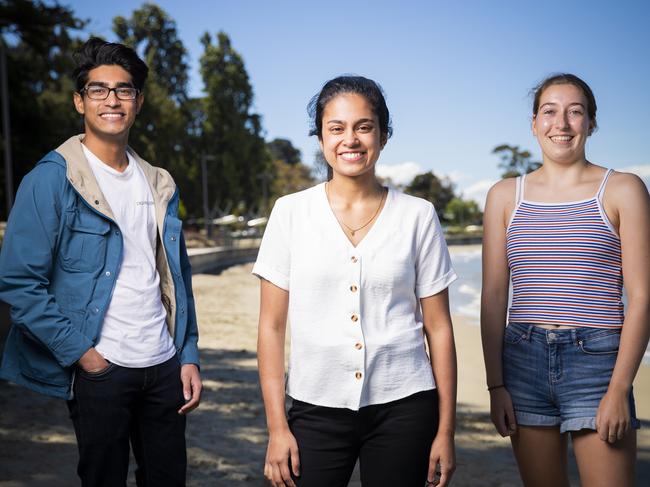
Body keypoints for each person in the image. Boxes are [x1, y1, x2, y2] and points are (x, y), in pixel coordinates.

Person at [0, 37, 201, 487]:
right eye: (99, 90)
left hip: (163, 364)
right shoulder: (51, 179)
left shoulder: (159, 182)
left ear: (139, 101)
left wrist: (187, 355)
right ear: (79, 101)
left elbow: (178, 279)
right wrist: (85, 357)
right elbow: (19, 284)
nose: (112, 99)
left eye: (124, 90)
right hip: (101, 369)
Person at [254, 75, 458, 487]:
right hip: (314, 406)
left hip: (406, 405)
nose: (351, 139)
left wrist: (445, 431)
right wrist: (277, 428)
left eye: (364, 127)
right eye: (337, 128)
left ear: (382, 135)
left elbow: (439, 327)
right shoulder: (290, 213)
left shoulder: (418, 215)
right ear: (321, 138)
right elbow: (271, 327)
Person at [481, 73, 650, 487]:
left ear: (591, 123)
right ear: (534, 123)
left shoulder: (623, 189)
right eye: (550, 112)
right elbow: (493, 296)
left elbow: (643, 296)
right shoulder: (504, 196)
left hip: (597, 362)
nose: (562, 123)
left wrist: (618, 388)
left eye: (576, 112)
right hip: (522, 358)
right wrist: (495, 385)